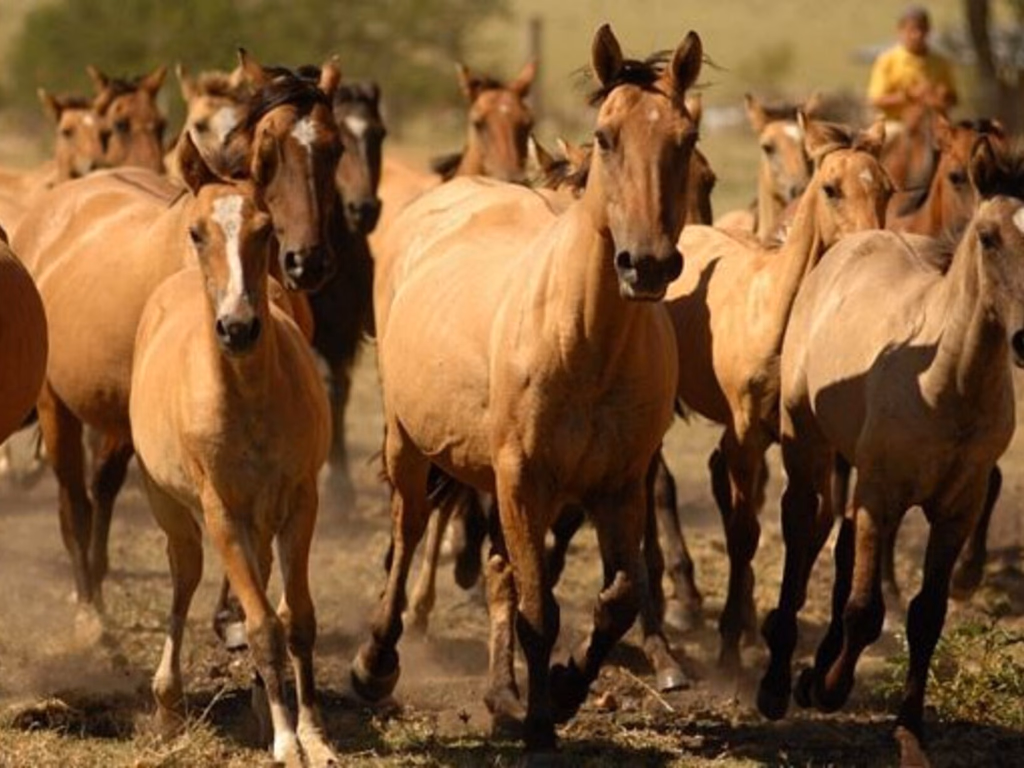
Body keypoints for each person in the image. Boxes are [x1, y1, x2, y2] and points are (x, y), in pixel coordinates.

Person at [867, 5, 958, 121]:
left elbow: (954, 99)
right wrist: (909, 96)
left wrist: (941, 95)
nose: (917, 35)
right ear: (900, 31)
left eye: (922, 29)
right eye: (912, 30)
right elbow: (875, 100)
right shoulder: (887, 61)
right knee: (891, 134)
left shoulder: (940, 62)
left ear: (928, 31)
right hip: (897, 123)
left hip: (933, 124)